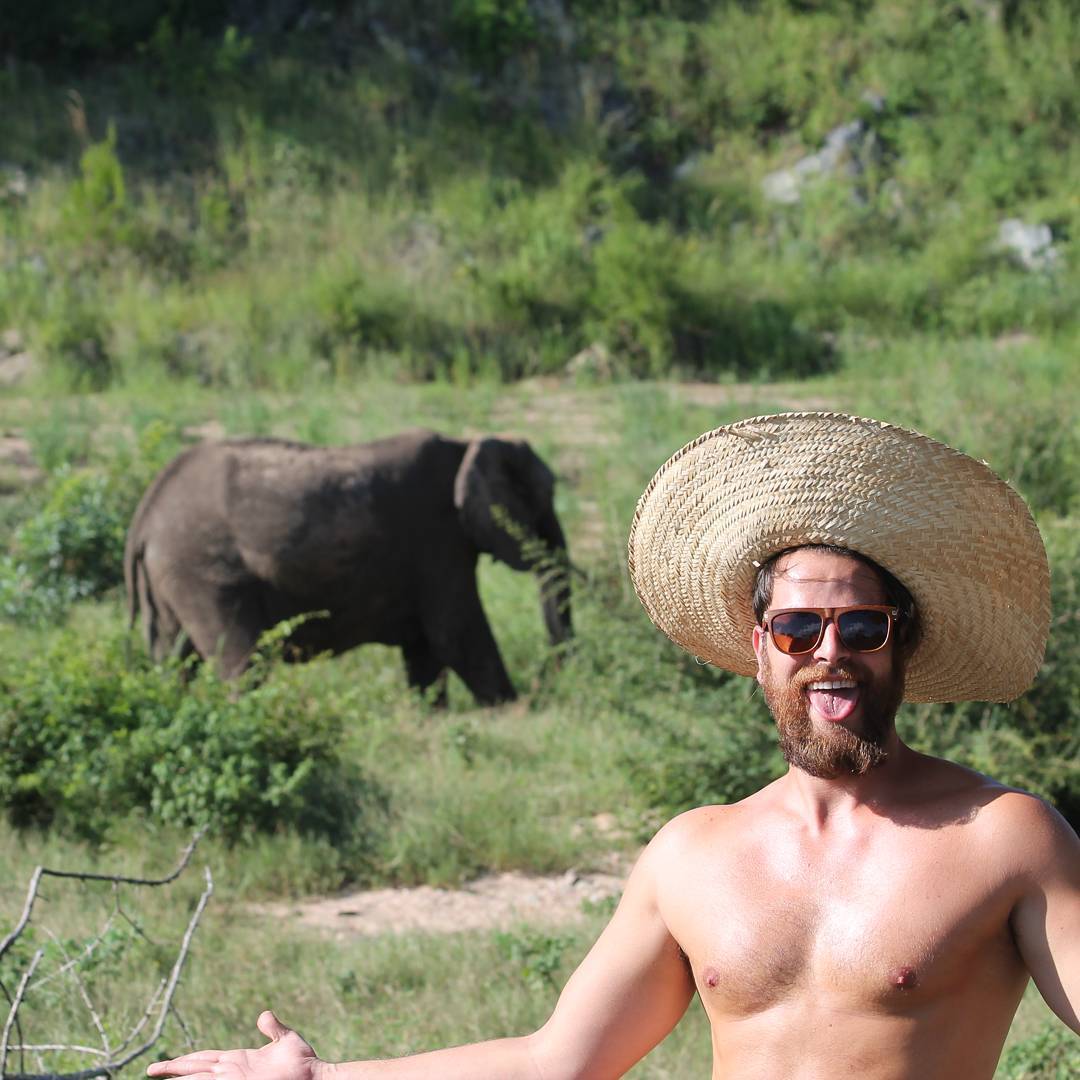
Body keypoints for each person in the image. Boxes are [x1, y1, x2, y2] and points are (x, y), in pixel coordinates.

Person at [148, 413, 1079, 1080]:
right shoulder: (692, 855)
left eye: (861, 628)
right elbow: (558, 1061)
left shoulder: (1003, 838)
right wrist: (325, 1078)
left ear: (902, 642)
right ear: (758, 651)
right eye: (798, 630)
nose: (829, 654)